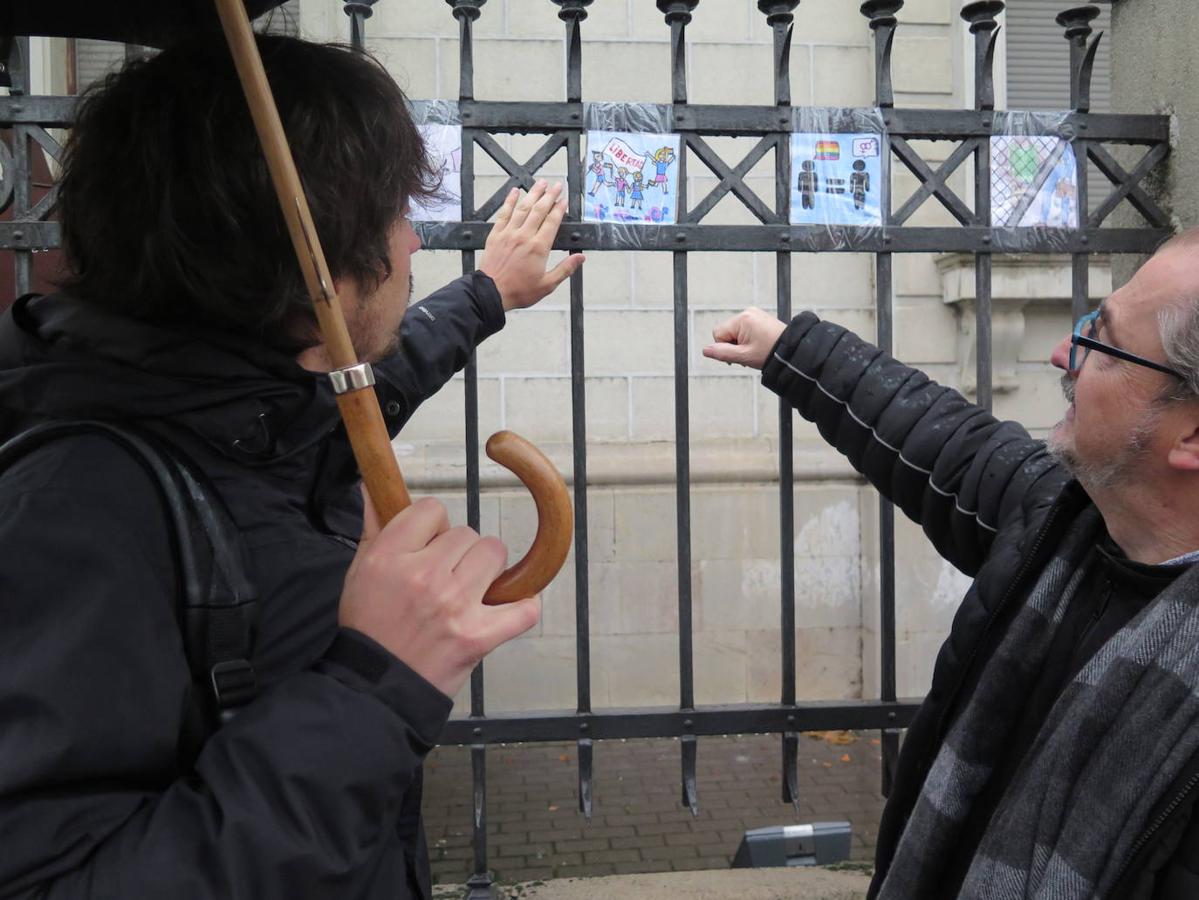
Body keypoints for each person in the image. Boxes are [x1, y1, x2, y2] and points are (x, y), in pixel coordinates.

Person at [0, 34, 582, 899]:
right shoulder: (78, 512)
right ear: (317, 271)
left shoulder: (249, 403)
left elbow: (372, 383)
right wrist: (372, 690)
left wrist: (490, 291)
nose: (414, 242)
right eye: (395, 213)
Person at [705, 231, 1199, 899]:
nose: (1062, 352)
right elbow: (949, 449)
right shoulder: (1062, 523)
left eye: (1101, 343)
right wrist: (790, 350)